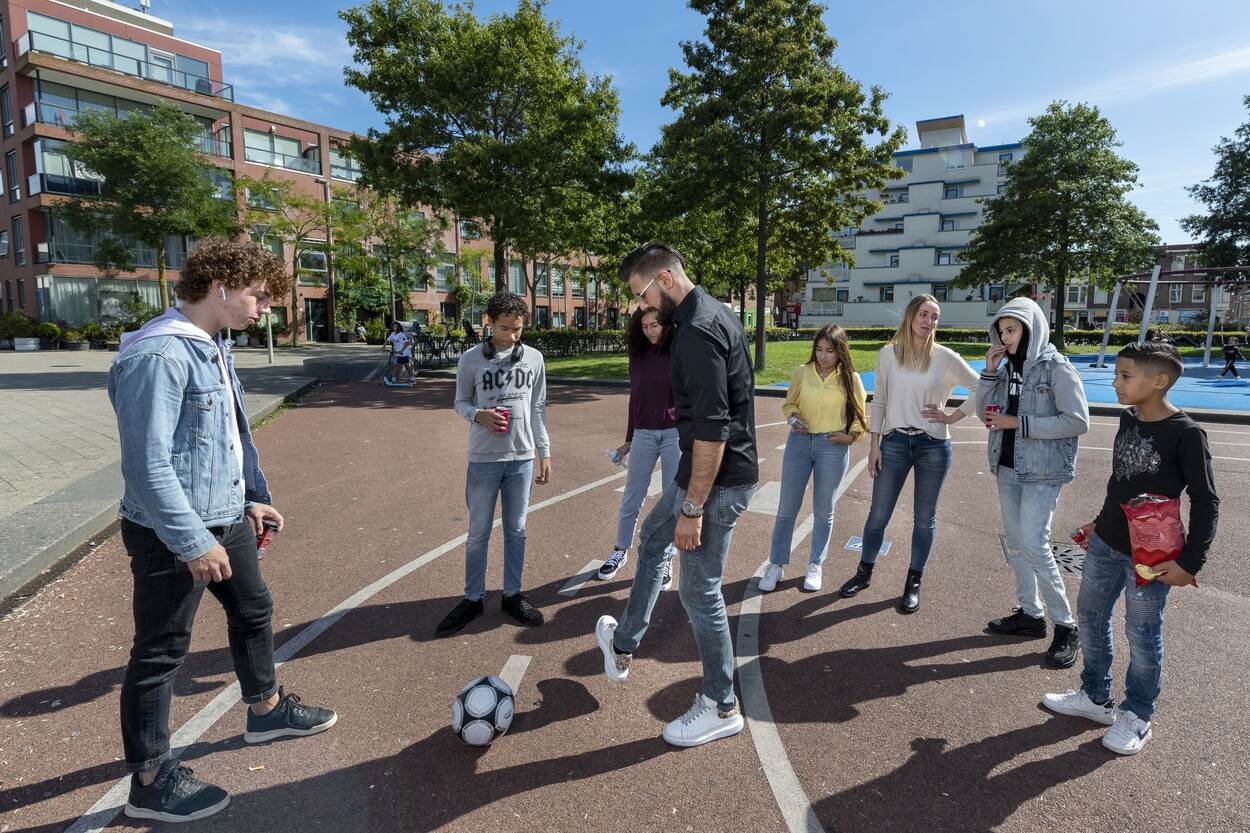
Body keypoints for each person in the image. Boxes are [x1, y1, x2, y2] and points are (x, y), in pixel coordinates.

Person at [109, 239, 336, 823]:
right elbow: (147, 464)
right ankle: (151, 782)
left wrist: (252, 500)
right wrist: (192, 541)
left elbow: (226, 439)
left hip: (226, 517)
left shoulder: (211, 344)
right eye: (258, 296)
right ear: (221, 288)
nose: (263, 308)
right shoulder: (159, 355)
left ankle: (265, 710)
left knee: (254, 609)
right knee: (160, 651)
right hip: (171, 531)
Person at [594, 242, 758, 748]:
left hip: (716, 483)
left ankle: (720, 704)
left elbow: (713, 432)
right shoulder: (706, 317)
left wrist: (692, 509)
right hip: (702, 476)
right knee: (651, 538)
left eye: (641, 297)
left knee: (698, 590)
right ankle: (624, 642)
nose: (639, 309)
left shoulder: (697, 334)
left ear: (664, 280)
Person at [1043, 341, 1219, 755]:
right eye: (1117, 375)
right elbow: (1121, 482)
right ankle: (1095, 697)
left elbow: (1207, 501)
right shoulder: (1128, 420)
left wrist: (1190, 561)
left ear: (1158, 381)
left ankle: (1138, 714)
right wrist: (1099, 523)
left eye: (1125, 376)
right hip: (1106, 543)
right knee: (1089, 614)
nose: (1115, 382)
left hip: (1152, 558)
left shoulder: (1188, 434)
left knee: (1141, 631)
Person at [837, 294, 979, 613]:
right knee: (877, 515)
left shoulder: (944, 357)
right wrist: (874, 445)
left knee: (924, 520)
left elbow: (981, 387)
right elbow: (881, 402)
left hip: (933, 445)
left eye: (935, 317)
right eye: (924, 315)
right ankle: (864, 572)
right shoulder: (888, 354)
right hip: (895, 443)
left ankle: (913, 581)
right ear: (911, 316)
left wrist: (952, 416)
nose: (929, 322)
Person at [975, 298, 1089, 668]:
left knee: (1035, 544)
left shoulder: (1057, 368)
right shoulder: (1006, 367)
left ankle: (1066, 626)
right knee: (1017, 543)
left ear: (1031, 327)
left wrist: (1018, 424)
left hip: (1042, 471)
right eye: (1002, 330)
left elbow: (1077, 421)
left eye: (1013, 329)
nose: (1006, 337)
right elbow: (984, 414)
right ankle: (1030, 614)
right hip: (1007, 466)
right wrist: (989, 374)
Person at [438, 291, 551, 636]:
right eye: (505, 328)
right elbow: (460, 402)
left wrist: (544, 451)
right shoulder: (471, 360)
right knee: (478, 533)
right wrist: (479, 416)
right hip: (483, 459)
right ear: (488, 322)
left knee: (516, 530)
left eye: (518, 329)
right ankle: (473, 599)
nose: (512, 336)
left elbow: (537, 408)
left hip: (522, 459)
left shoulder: (534, 359)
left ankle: (512, 595)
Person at [759, 324, 867, 594]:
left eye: (830, 350)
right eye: (819, 349)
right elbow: (789, 403)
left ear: (840, 351)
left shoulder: (850, 379)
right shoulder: (802, 373)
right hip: (798, 444)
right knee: (786, 509)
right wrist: (793, 418)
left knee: (823, 510)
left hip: (832, 447)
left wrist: (850, 437)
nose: (823, 356)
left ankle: (815, 564)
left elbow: (861, 416)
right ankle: (776, 564)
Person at [598, 307, 679, 586]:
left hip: (674, 435)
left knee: (671, 499)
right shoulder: (638, 354)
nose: (650, 331)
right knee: (632, 496)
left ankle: (667, 557)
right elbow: (635, 399)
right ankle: (620, 551)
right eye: (644, 327)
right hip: (644, 433)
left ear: (666, 324)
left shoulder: (678, 353)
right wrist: (629, 439)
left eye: (655, 325)